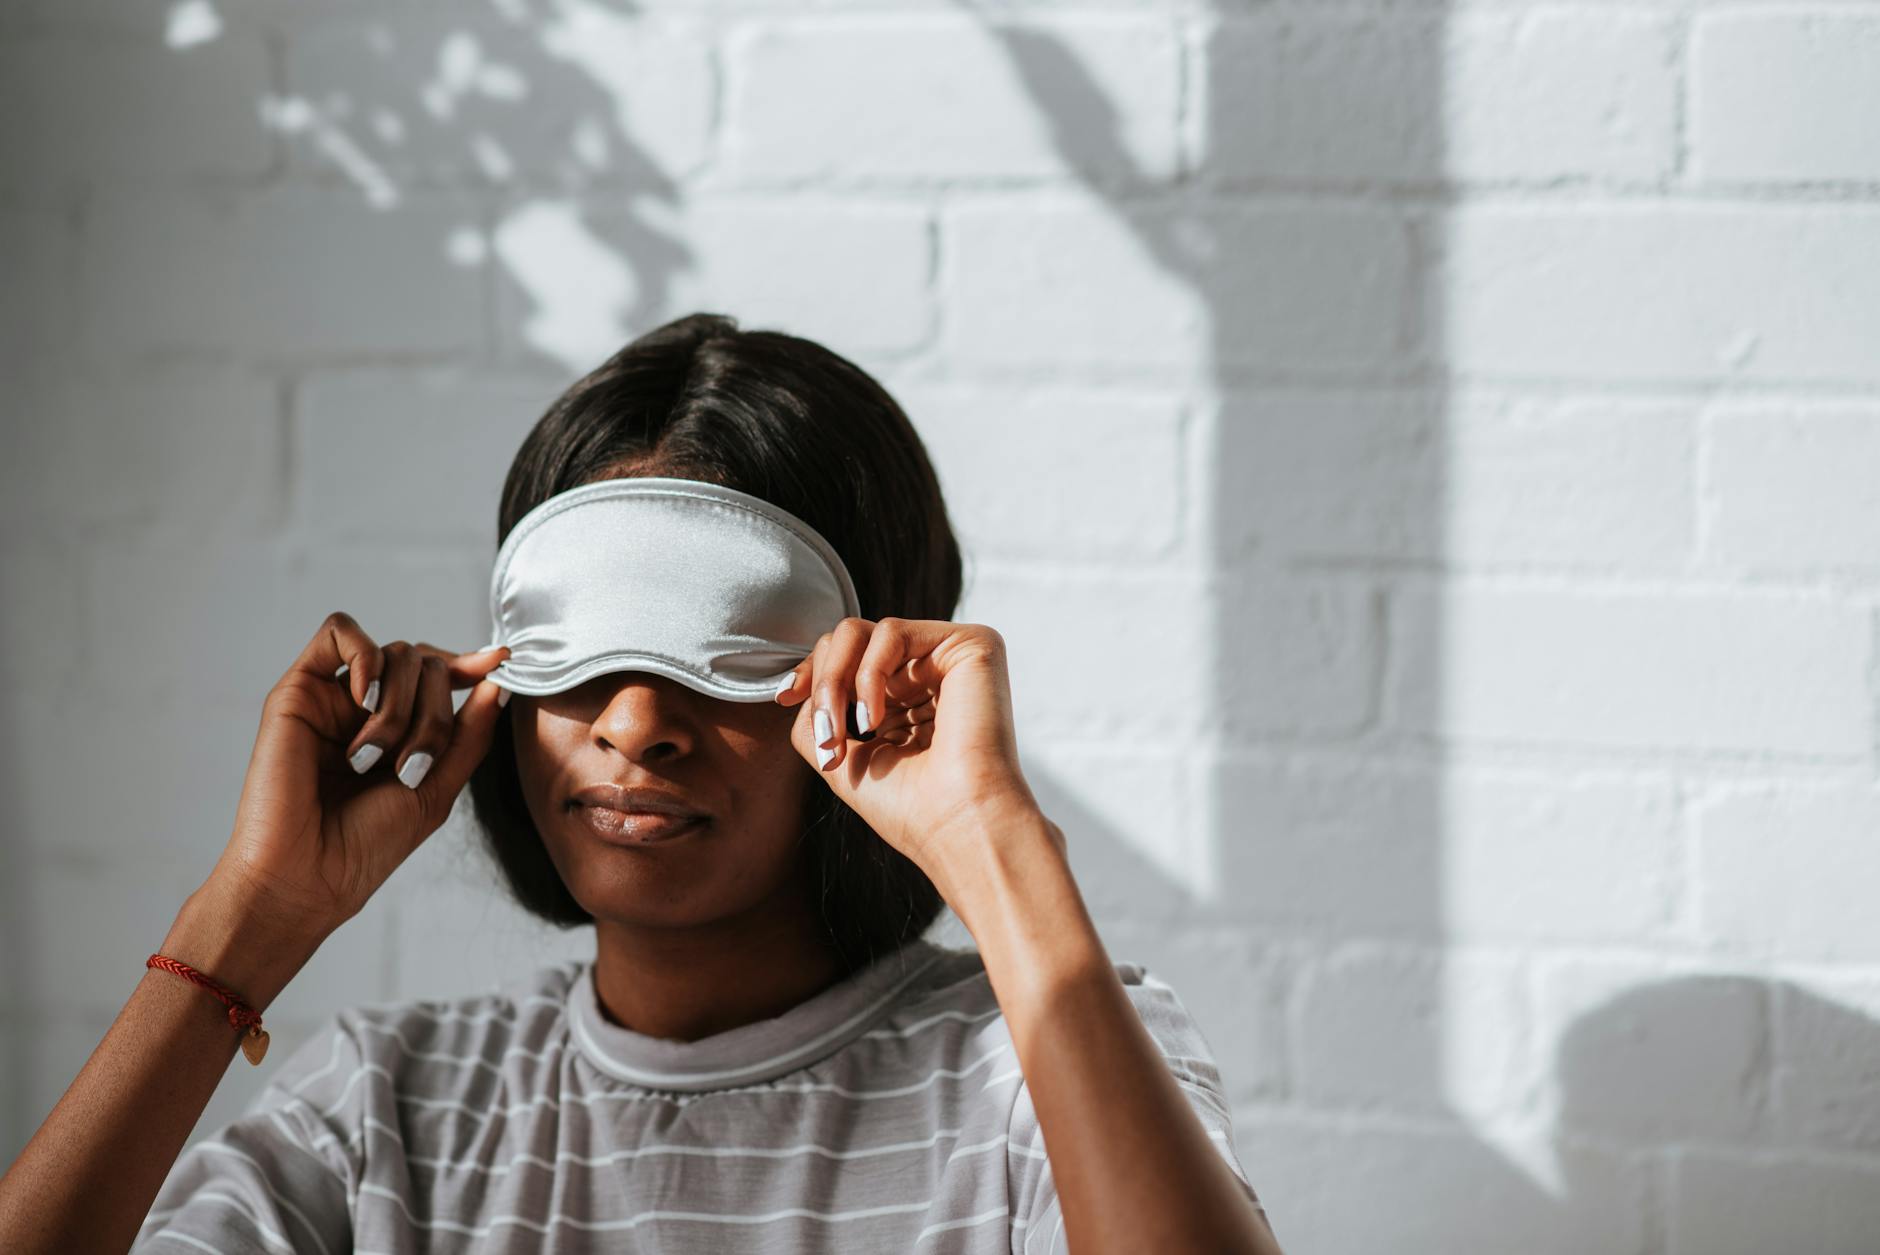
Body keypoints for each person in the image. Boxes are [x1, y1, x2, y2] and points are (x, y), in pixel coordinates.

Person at [0, 312, 1279, 1254]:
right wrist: (254, 910)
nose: (635, 723)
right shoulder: (384, 1111)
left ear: (876, 660)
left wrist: (993, 842)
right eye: (582, 650)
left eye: (723, 654)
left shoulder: (1036, 1068)